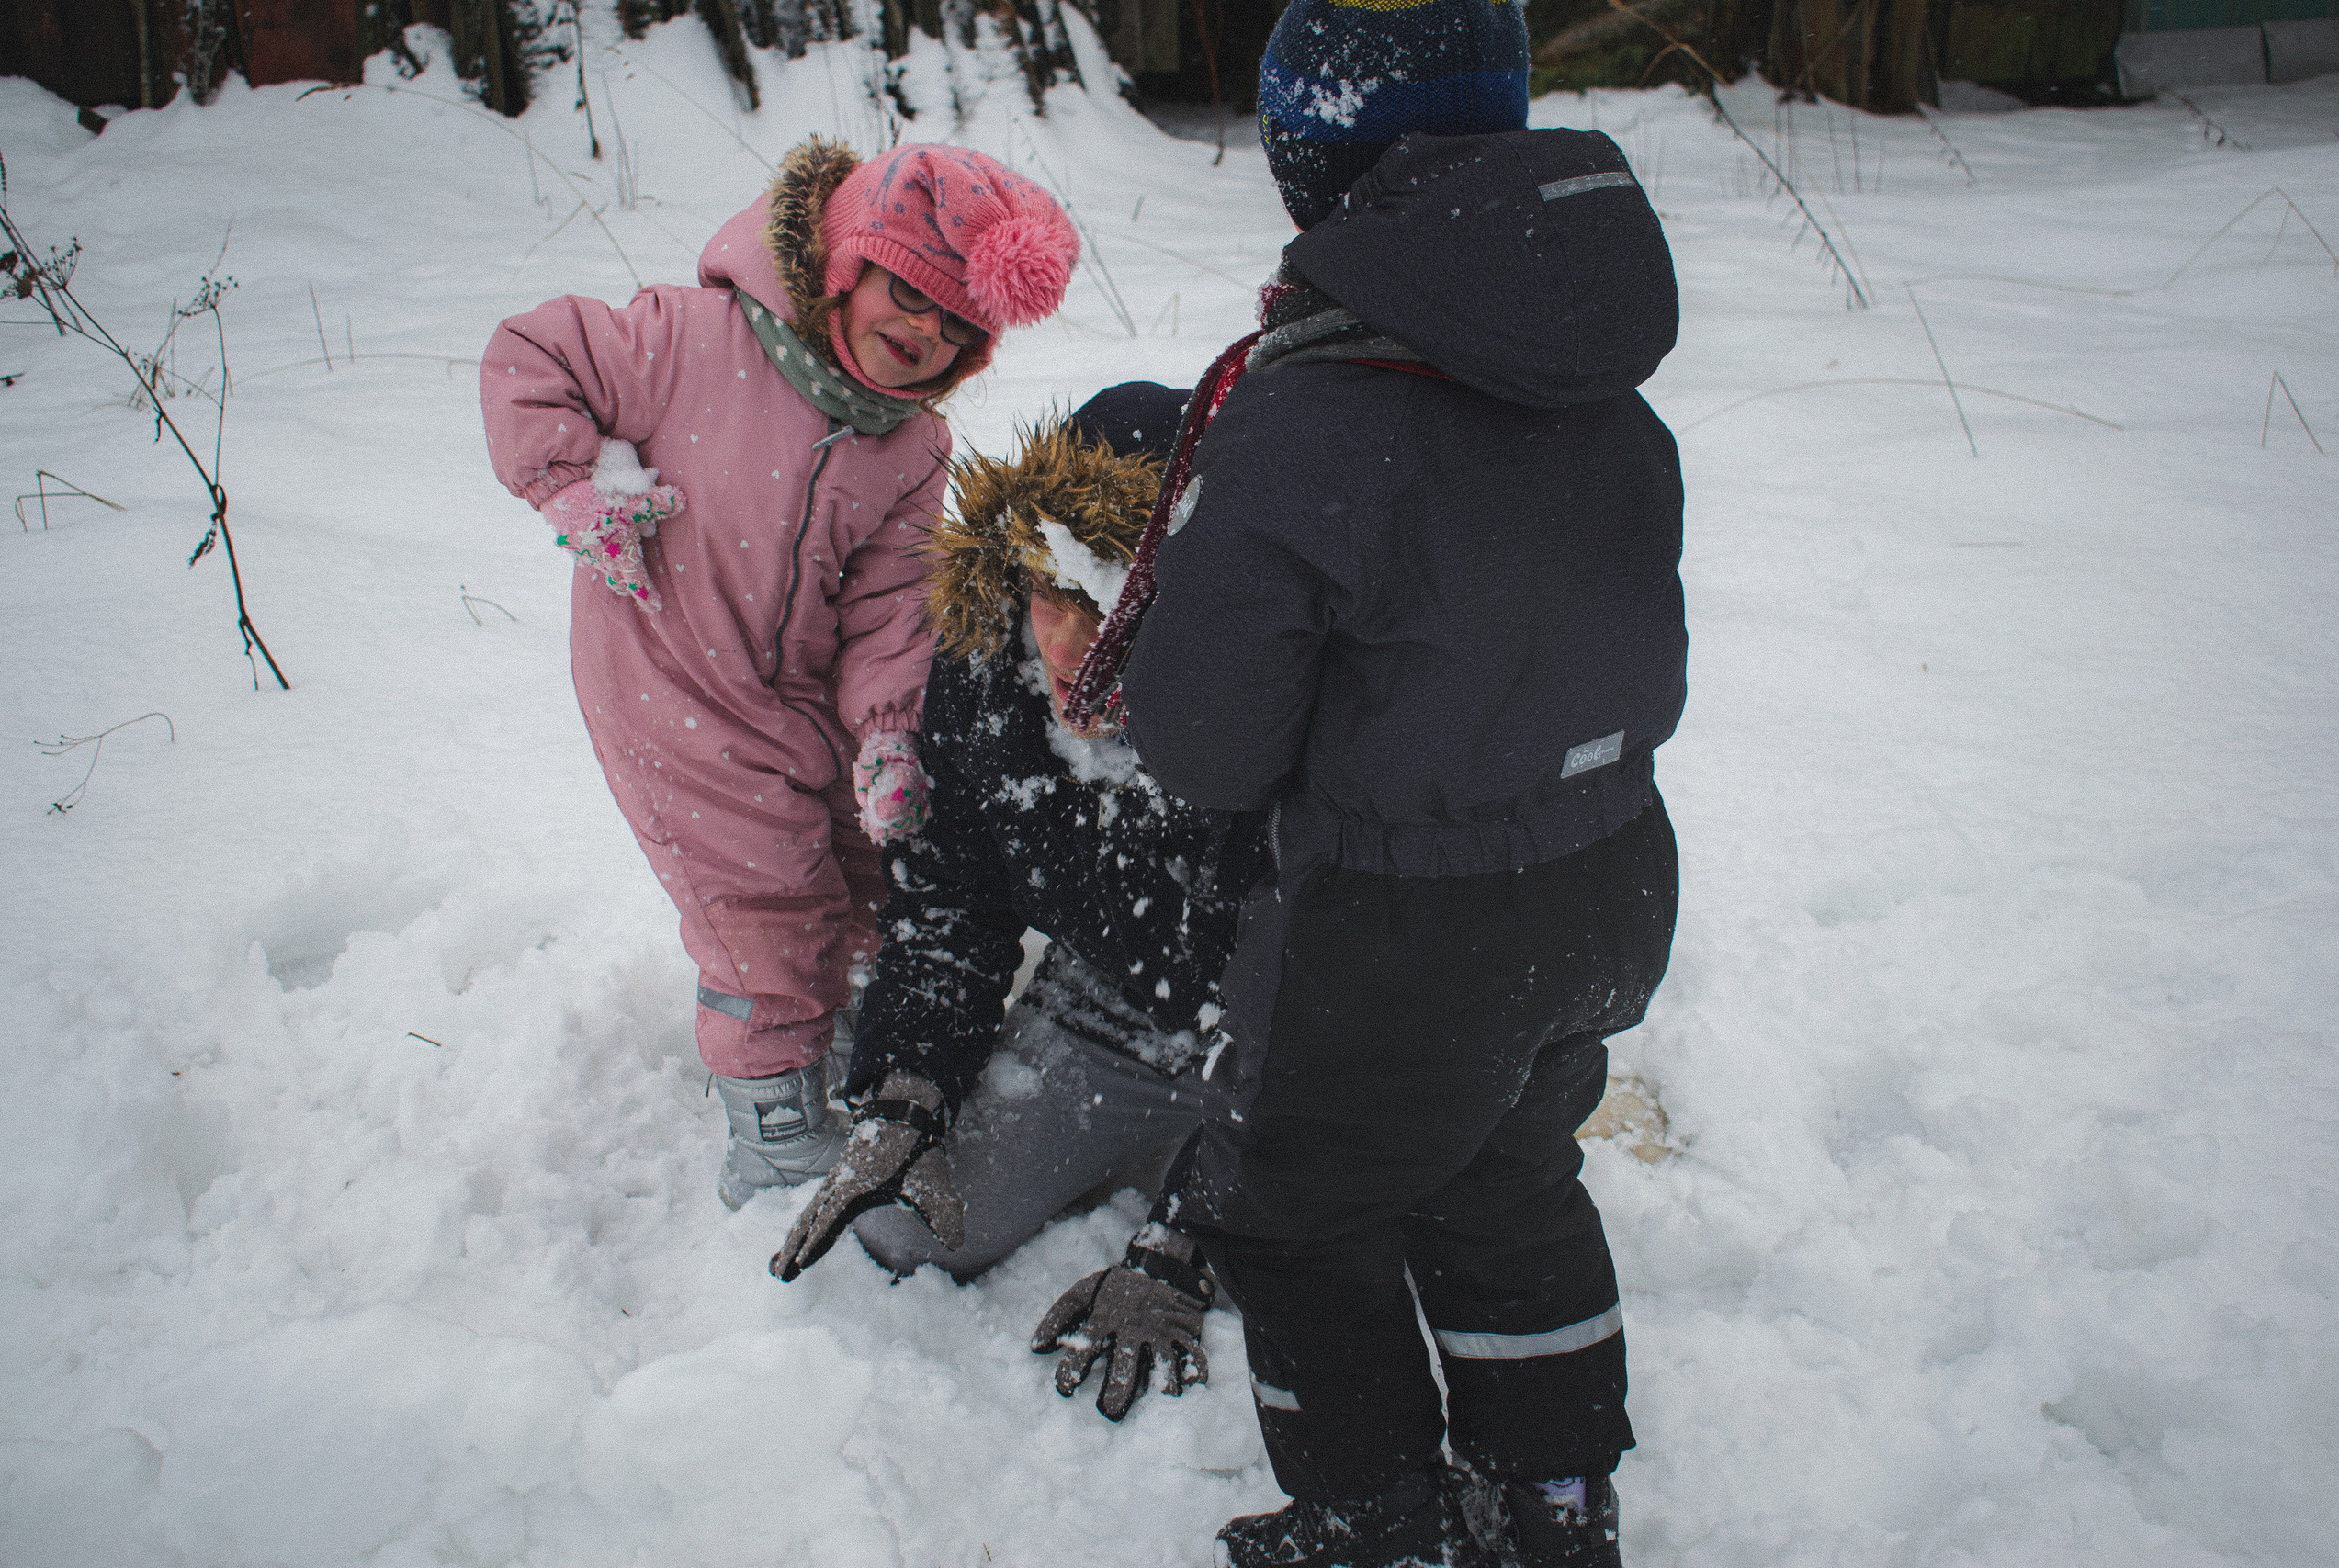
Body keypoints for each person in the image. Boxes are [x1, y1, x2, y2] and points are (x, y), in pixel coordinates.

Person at [1071, 2, 1689, 1562]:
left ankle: (1367, 1519)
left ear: (1310, 156)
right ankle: (1551, 1503)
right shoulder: (1607, 389)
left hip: (1406, 929)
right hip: (1607, 880)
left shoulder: (1307, 411)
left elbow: (1206, 743)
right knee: (1505, 1178)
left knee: (1301, 1214)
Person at [480, 139, 1077, 1210]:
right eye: (909, 294)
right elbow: (534, 355)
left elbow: (892, 603)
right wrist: (570, 488)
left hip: (799, 695)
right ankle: (770, 1130)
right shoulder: (685, 340)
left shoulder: (911, 443)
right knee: (761, 905)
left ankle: (843, 1018)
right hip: (670, 681)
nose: (922, 333)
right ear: (847, 266)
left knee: (866, 862)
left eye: (956, 325)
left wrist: (891, 733)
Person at [771, 385, 1273, 1423]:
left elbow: (1317, 986)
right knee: (908, 1227)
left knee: (1332, 1268)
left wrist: (1183, 1236)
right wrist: (907, 1094)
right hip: (1115, 1011)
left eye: (1110, 598)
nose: (1067, 638)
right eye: (1050, 587)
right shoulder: (986, 673)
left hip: (1295, 1055)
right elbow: (951, 906)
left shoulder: (1272, 706)